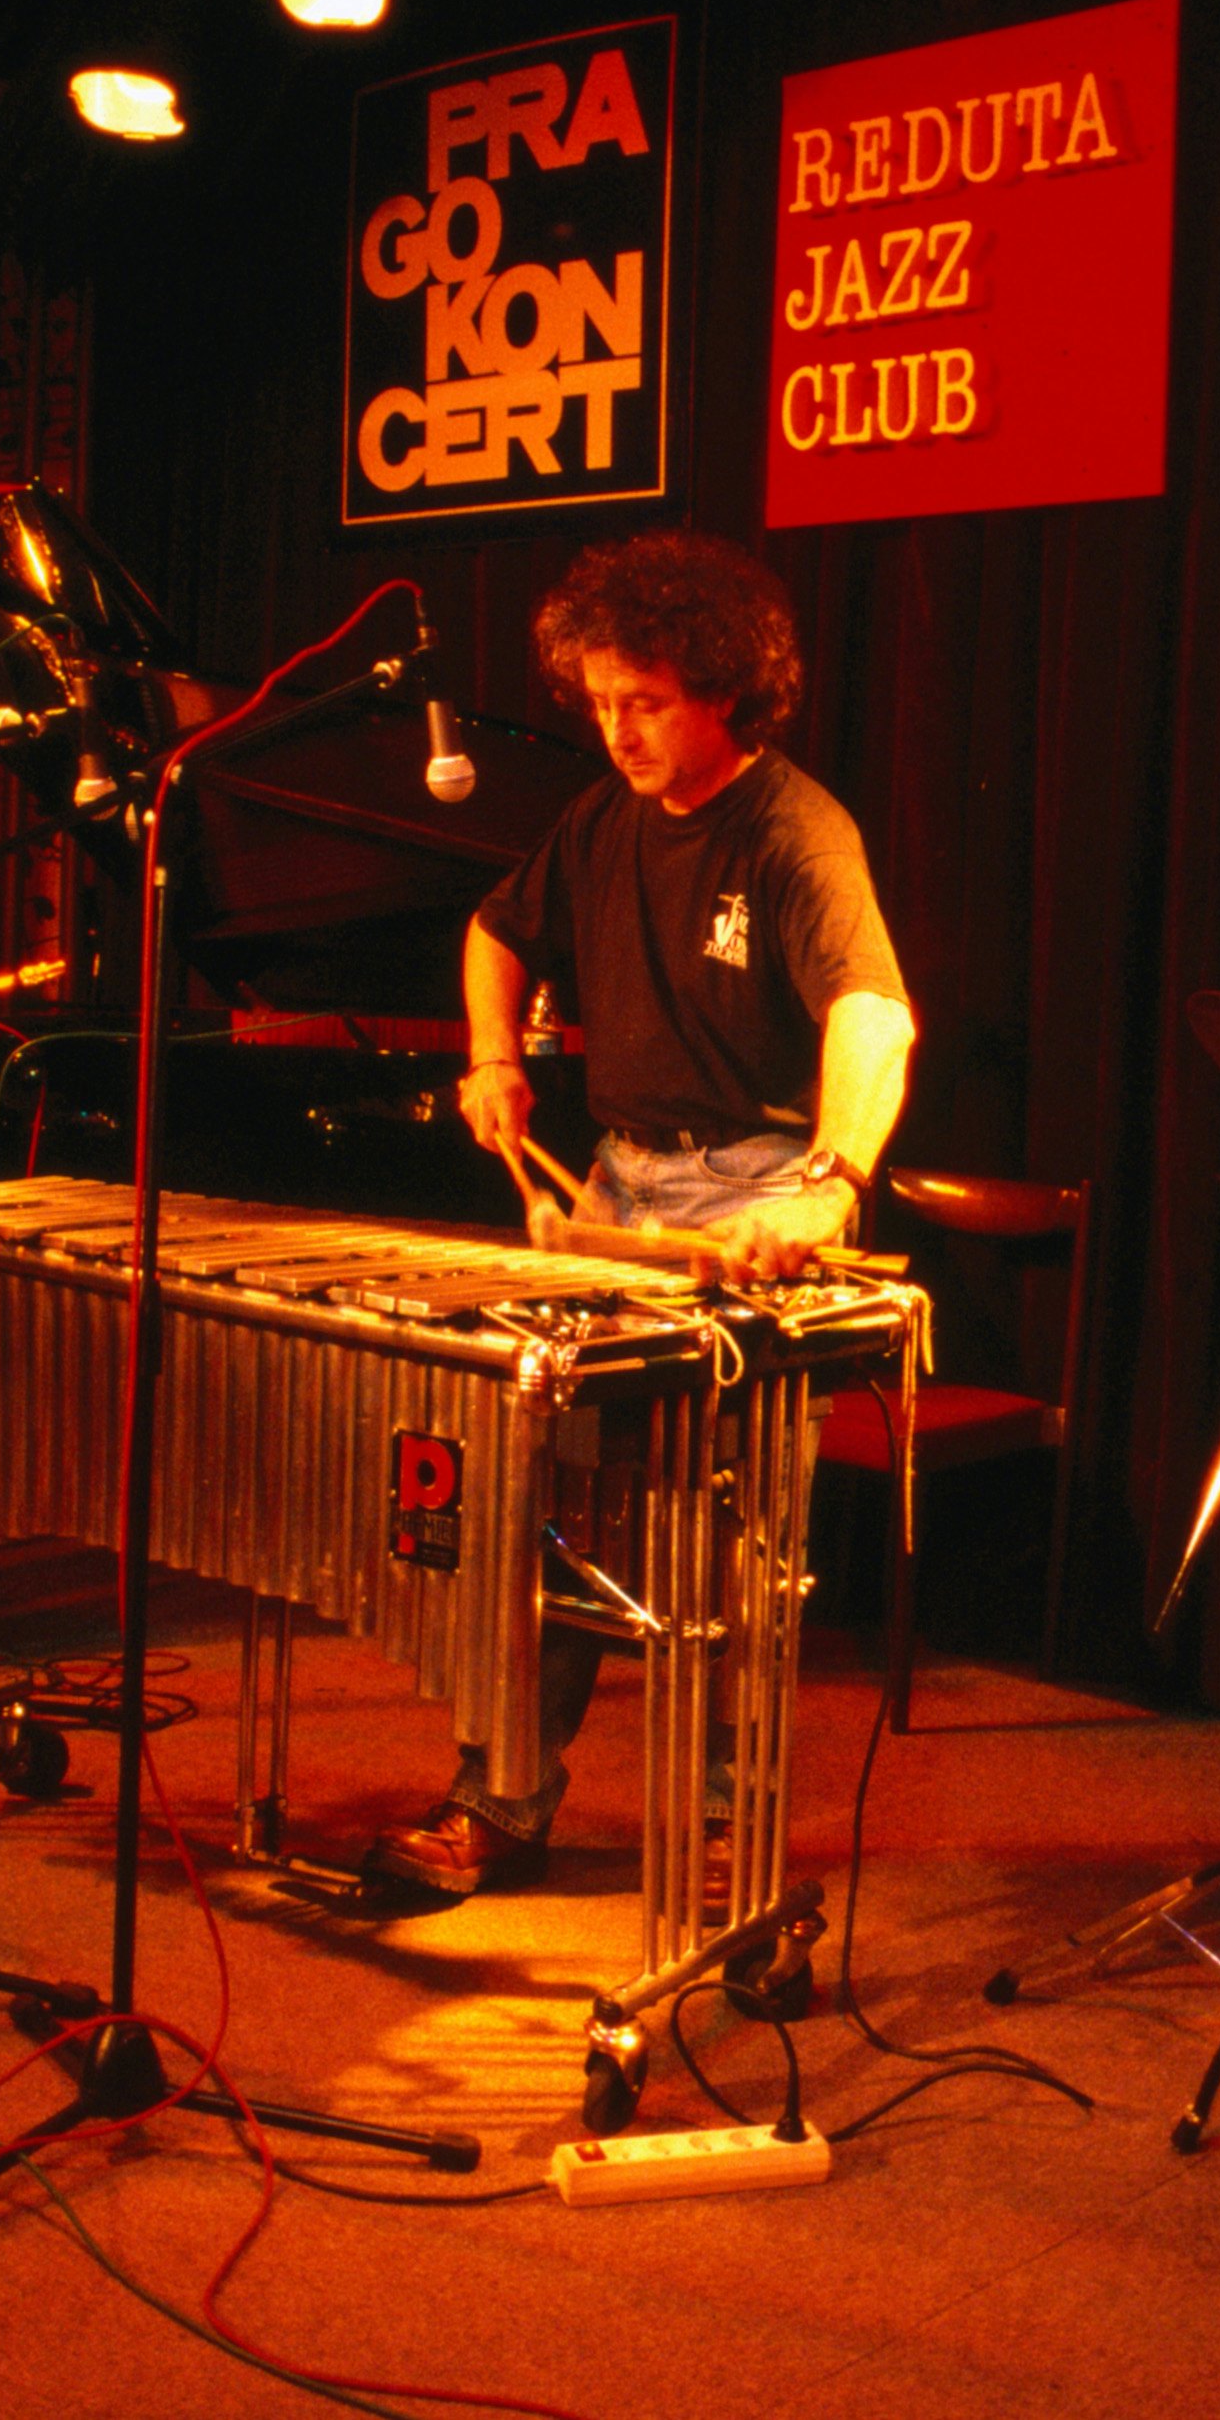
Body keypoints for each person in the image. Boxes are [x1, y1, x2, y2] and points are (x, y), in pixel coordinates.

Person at [361, 530, 916, 1900]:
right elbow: (497, 930)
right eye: (601, 702)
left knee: (734, 1550)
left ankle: (733, 1832)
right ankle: (498, 1798)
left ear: (724, 688)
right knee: (534, 1513)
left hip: (747, 1199)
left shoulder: (796, 830)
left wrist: (829, 1178)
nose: (616, 731)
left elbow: (873, 1011)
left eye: (646, 701)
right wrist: (491, 1057)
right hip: (612, 1187)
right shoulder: (602, 819)